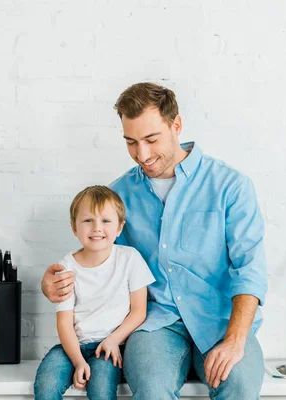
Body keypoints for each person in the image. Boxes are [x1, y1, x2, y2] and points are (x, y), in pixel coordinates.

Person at [41, 82, 268, 399]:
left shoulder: (230, 186)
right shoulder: (118, 195)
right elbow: (95, 255)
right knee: (150, 389)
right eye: (131, 142)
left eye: (151, 139)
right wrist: (53, 283)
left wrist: (235, 340)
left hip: (220, 322)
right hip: (154, 324)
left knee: (241, 386)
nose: (142, 155)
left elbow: (250, 269)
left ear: (176, 125)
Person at [34, 185, 155, 400]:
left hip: (109, 347)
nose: (97, 228)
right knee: (46, 383)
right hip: (73, 345)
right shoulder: (66, 267)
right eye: (88, 221)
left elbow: (139, 311)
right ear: (74, 228)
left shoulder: (130, 259)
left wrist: (113, 340)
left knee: (101, 390)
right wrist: (78, 360)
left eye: (106, 221)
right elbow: (64, 323)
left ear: (119, 227)